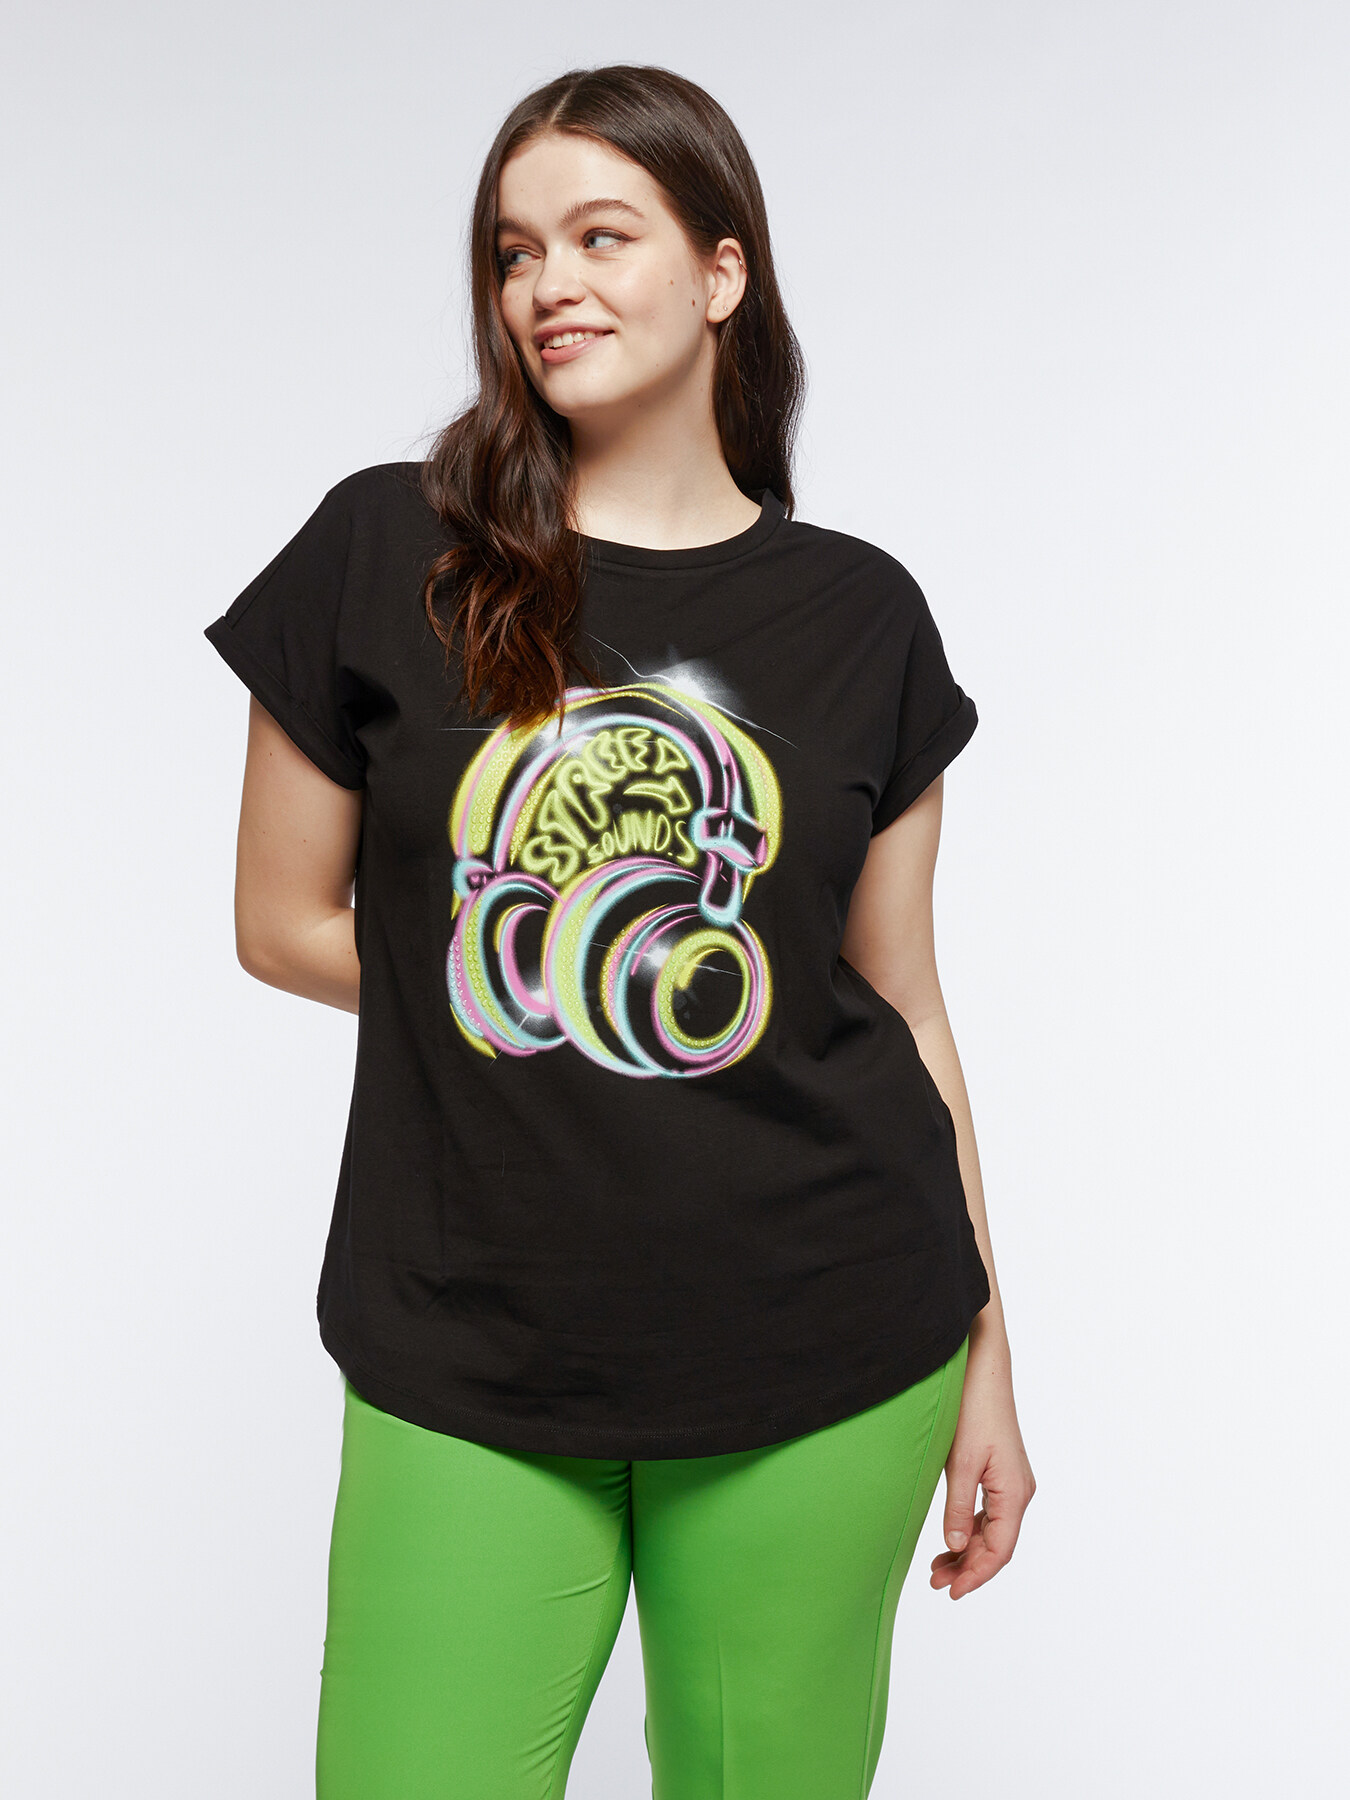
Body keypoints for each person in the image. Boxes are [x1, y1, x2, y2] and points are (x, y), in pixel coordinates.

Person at [203, 61, 1035, 1800]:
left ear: (721, 273)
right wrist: (534, 982)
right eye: (514, 252)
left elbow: (901, 1009)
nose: (545, 287)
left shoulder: (859, 613)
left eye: (600, 237)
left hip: (831, 1340)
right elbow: (280, 923)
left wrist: (988, 1349)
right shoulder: (389, 548)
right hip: (472, 1344)